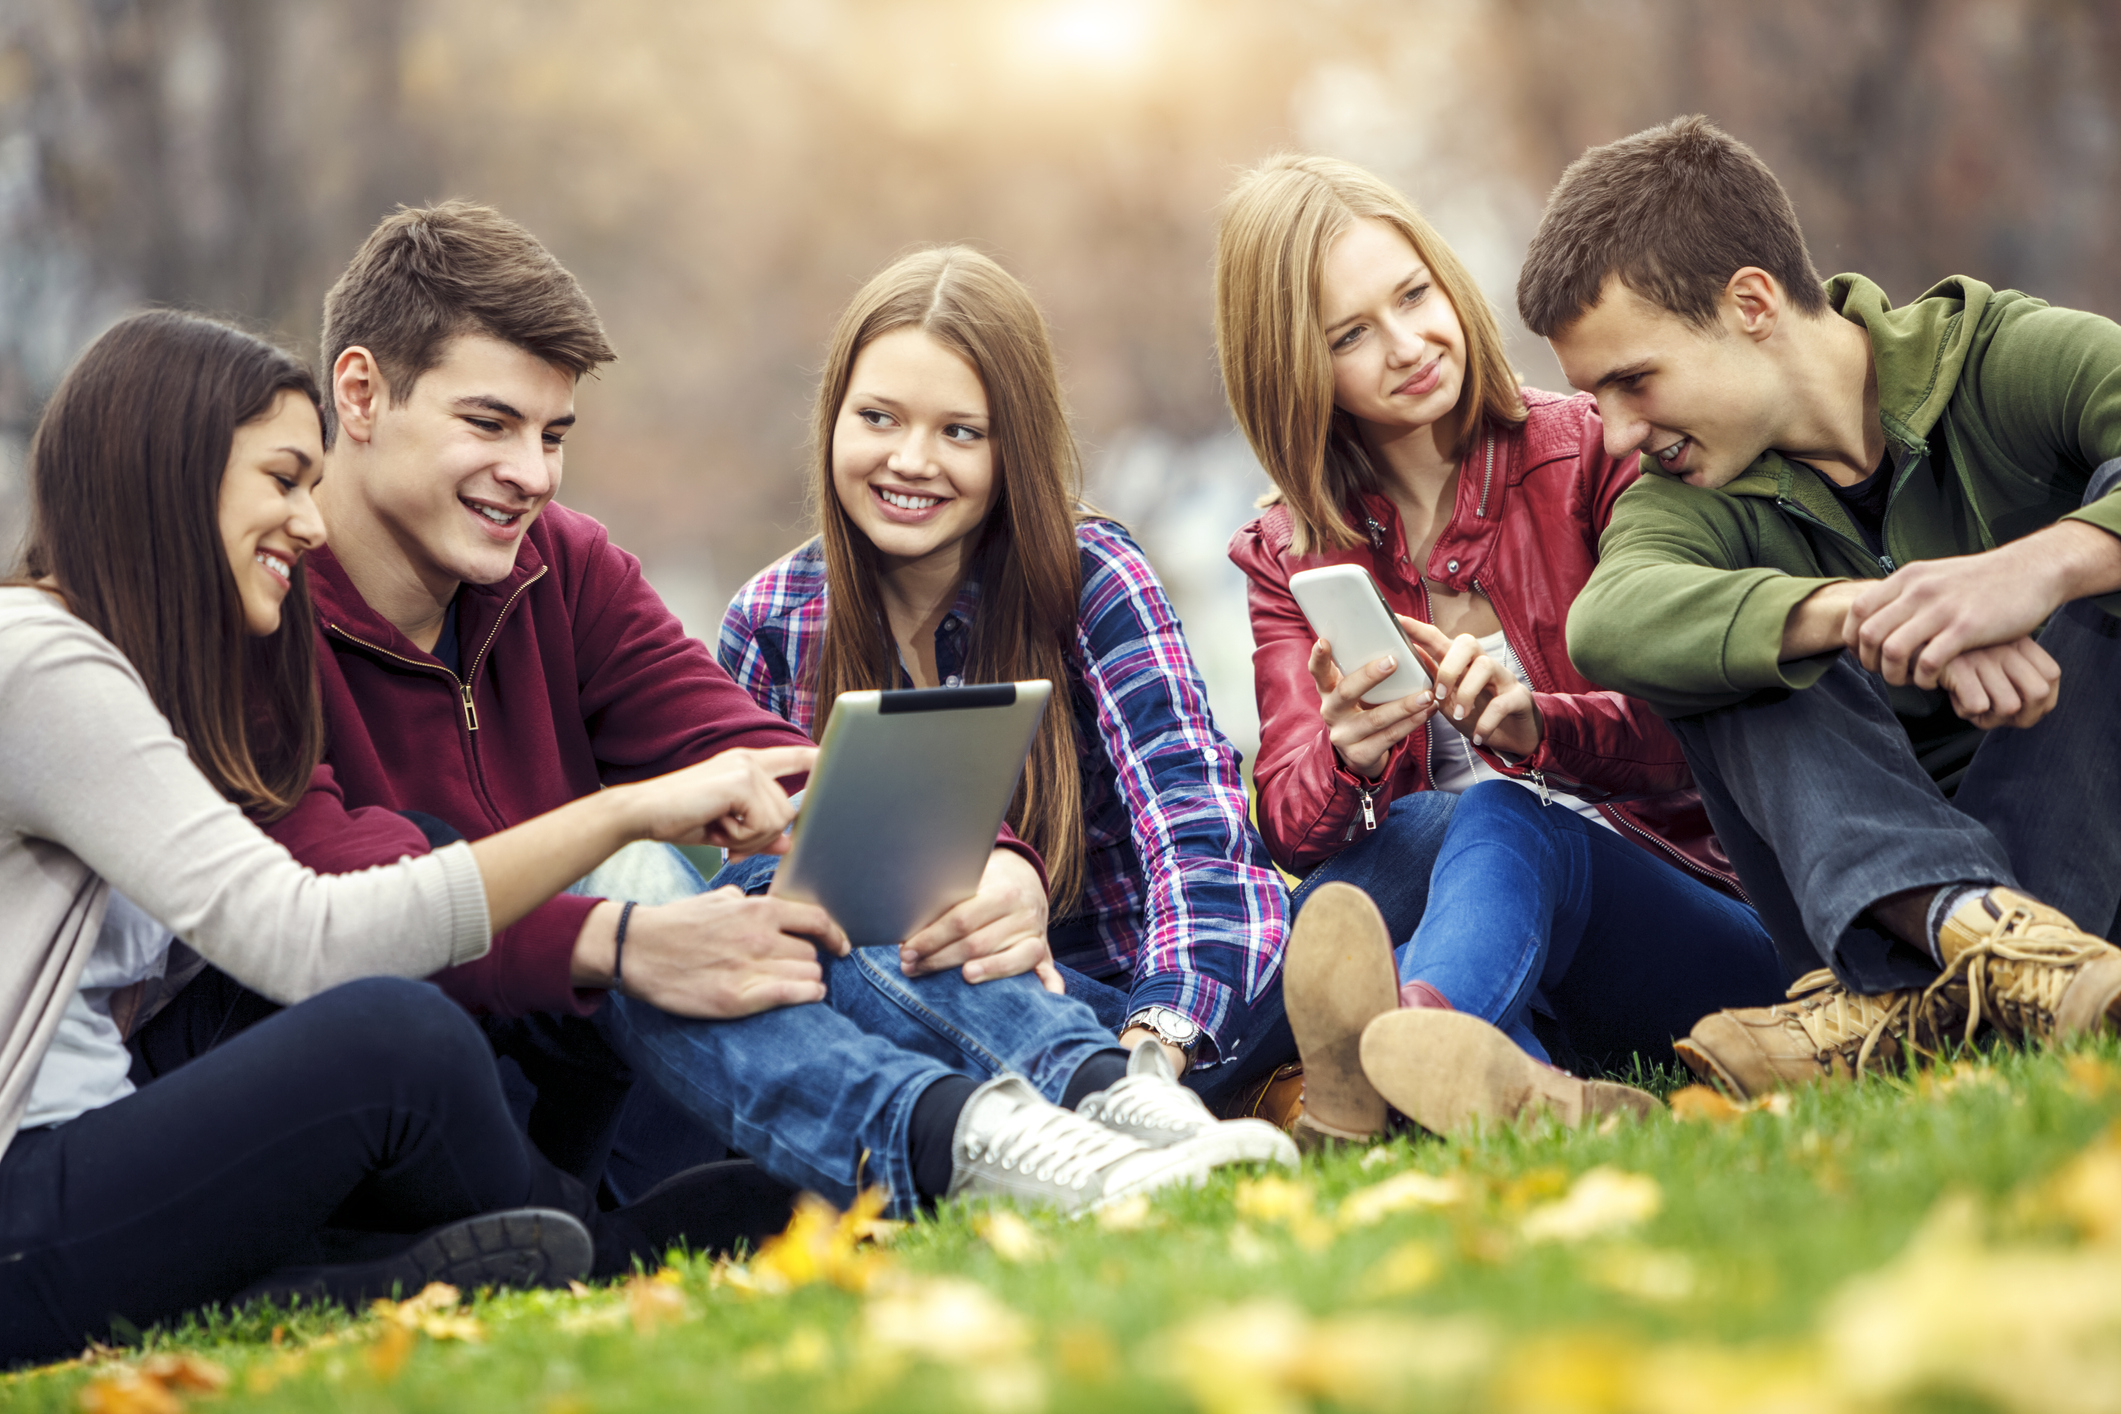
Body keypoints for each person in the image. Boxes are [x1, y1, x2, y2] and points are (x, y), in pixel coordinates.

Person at [237, 200, 1290, 1218]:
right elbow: (352, 902)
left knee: (802, 862)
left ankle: (1098, 1100)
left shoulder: (559, 566)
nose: (531, 474)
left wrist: (995, 853)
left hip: (601, 1080)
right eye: (490, 423)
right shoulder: (254, 608)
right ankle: (973, 1138)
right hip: (418, 1101)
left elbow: (757, 752)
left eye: (553, 434)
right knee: (638, 875)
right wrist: (612, 936)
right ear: (362, 395)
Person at [0, 311, 816, 1365]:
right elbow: (297, 936)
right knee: (395, 1039)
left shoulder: (144, 673)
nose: (310, 521)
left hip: (111, 1156)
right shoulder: (38, 663)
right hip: (26, 1208)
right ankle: (602, 1245)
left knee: (421, 878)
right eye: (285, 479)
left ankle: (392, 1264)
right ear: (171, 475)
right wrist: (621, 813)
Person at [1518, 115, 2121, 1097]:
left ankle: (1919, 1001)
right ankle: (1987, 951)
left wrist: (2048, 567)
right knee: (1723, 641)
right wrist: (1857, 609)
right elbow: (1609, 619)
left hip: (2091, 841)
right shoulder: (1689, 501)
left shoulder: (2001, 359)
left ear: (1750, 301)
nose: (1618, 433)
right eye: (1595, 398)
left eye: (1633, 381)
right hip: (1858, 911)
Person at [1217, 154, 1787, 1144]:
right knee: (1374, 865)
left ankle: (1393, 1048)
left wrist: (1536, 725)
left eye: (1413, 294)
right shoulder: (1289, 550)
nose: (1407, 344)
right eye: (1352, 334)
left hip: (1697, 923)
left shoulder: (1593, 453)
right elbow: (1298, 829)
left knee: (1494, 811)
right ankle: (1516, 1082)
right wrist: (1347, 752)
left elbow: (1702, 731)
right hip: (1493, 939)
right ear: (1295, 368)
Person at [718, 244, 1299, 1128]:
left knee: (1398, 863)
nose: (910, 461)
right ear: (831, 419)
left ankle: (1213, 1087)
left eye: (960, 431)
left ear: (1012, 445)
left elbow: (1194, 826)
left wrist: (1156, 1049)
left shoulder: (1090, 575)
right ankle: (1288, 1087)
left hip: (1144, 1021)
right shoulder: (770, 621)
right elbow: (763, 904)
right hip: (916, 1029)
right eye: (878, 417)